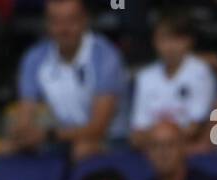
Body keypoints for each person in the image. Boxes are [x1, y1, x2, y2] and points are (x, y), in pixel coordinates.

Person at [9, 0, 130, 160]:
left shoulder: (106, 56)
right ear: (47, 24)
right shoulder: (34, 57)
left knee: (83, 150)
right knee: (7, 149)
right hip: (57, 139)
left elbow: (99, 127)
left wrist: (47, 135)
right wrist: (23, 133)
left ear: (85, 20)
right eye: (56, 22)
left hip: (110, 140)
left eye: (70, 21)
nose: (63, 29)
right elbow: (26, 111)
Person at [129, 9, 217, 146]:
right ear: (154, 41)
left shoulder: (201, 72)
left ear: (189, 40)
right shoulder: (144, 77)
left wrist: (162, 141)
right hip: (152, 150)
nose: (170, 47)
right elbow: (137, 134)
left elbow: (195, 128)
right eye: (163, 39)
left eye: (176, 39)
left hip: (188, 151)